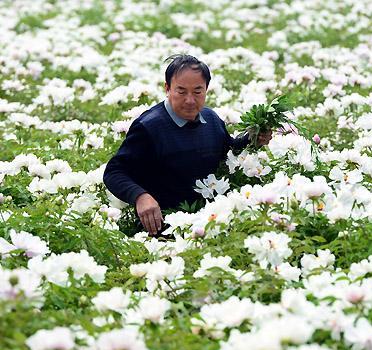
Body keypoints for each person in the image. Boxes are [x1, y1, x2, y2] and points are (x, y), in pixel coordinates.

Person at [103, 54, 272, 236]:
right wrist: (140, 197)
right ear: (167, 88)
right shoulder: (149, 127)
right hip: (163, 228)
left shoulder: (212, 120)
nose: (190, 100)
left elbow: (226, 151)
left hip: (208, 221)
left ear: (206, 89)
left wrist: (252, 139)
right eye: (181, 91)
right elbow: (114, 172)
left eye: (197, 91)